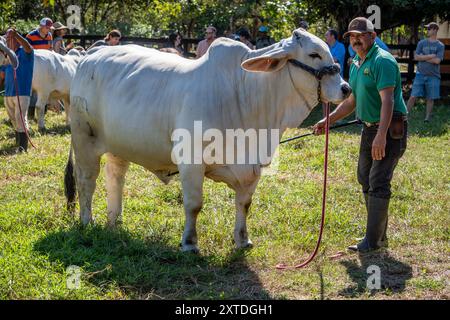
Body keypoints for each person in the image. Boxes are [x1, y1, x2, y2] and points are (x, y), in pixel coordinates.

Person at [313, 17, 408, 253]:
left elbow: (387, 101)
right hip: (368, 127)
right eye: (351, 36)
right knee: (364, 176)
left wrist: (381, 136)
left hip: (389, 129)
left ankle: (373, 241)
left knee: (378, 180)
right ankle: (378, 235)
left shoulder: (382, 61)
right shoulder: (356, 61)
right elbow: (352, 100)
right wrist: (328, 120)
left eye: (360, 35)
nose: (355, 39)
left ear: (372, 37)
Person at [2, 28, 34, 152]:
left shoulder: (26, 52)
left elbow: (28, 46)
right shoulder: (7, 56)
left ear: (17, 41)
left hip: (22, 92)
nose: (9, 41)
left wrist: (17, 35)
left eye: (12, 39)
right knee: (13, 118)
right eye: (8, 39)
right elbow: (3, 74)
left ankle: (23, 147)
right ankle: (18, 142)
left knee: (20, 117)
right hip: (8, 92)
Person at [406, 22, 445, 122]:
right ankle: (405, 116)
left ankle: (427, 118)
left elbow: (437, 61)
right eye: (427, 29)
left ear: (435, 30)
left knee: (430, 98)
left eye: (429, 29)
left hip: (433, 76)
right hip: (420, 74)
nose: (426, 31)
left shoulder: (440, 45)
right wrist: (430, 56)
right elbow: (416, 57)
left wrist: (422, 58)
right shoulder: (421, 43)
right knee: (413, 96)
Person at [26, 17, 53, 119]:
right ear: (41, 26)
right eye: (47, 27)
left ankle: (43, 111)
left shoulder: (49, 36)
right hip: (33, 65)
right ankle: (30, 114)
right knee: (33, 90)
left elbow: (50, 50)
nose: (49, 29)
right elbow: (26, 50)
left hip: (46, 66)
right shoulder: (31, 36)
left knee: (44, 88)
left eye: (50, 28)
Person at [323, 29, 346, 117]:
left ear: (332, 36)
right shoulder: (326, 47)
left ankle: (338, 117)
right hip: (327, 76)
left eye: (327, 35)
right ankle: (325, 117)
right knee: (325, 97)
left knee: (339, 97)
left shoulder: (341, 46)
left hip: (337, 77)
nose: (325, 37)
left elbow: (334, 60)